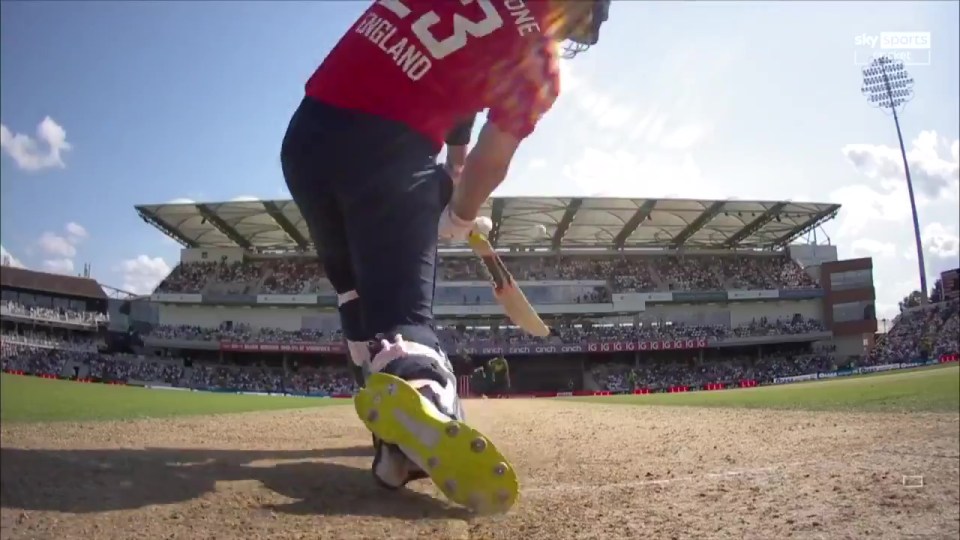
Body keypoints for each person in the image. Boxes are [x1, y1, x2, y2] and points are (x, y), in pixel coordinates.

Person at [280, 0, 610, 511]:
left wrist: (451, 181)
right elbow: (491, 155)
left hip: (306, 142)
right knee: (404, 318)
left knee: (355, 295)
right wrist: (459, 215)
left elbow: (454, 101)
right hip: (386, 149)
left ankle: (390, 441)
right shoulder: (538, 58)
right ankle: (424, 400)